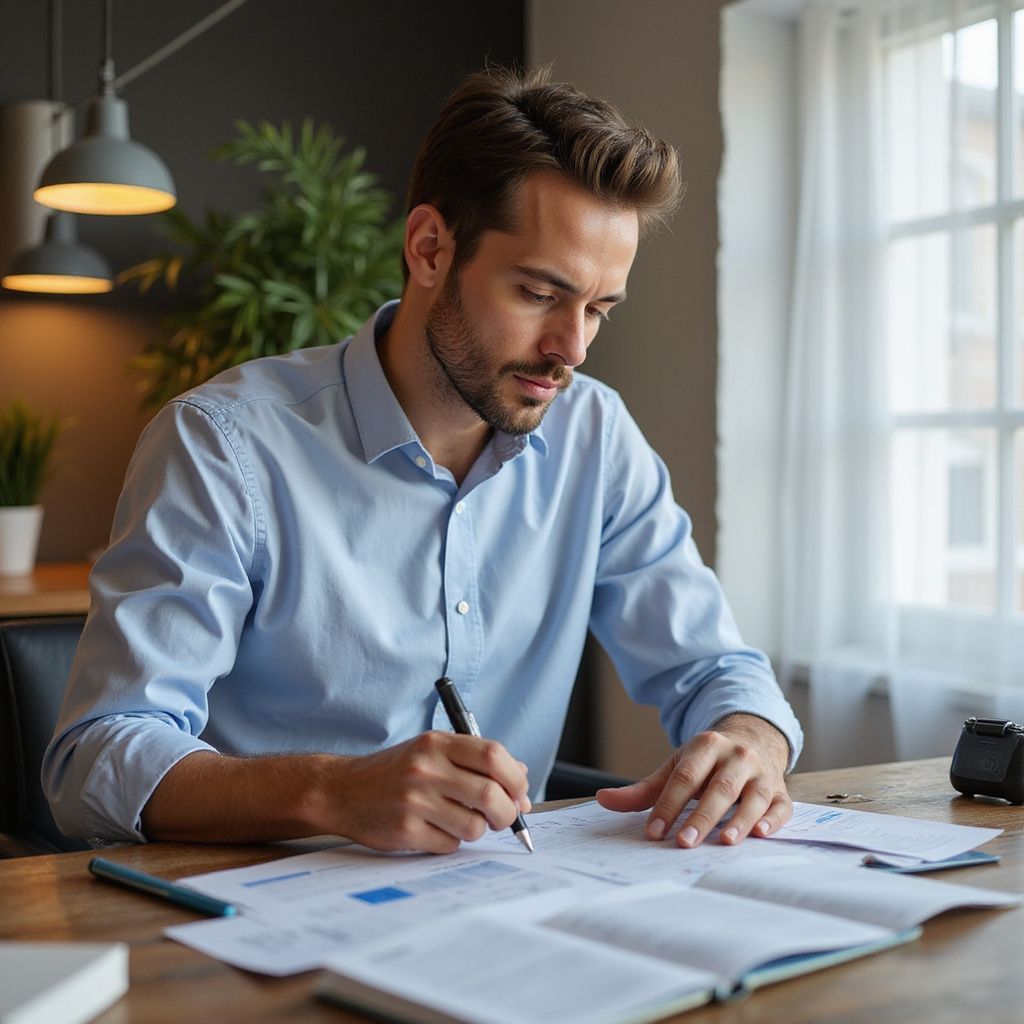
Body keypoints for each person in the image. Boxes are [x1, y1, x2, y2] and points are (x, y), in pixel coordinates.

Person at [43, 65, 803, 855]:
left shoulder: (596, 437)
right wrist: (332, 792)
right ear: (430, 247)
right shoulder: (223, 444)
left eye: (598, 309)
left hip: (504, 902)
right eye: (540, 294)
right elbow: (95, 757)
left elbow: (715, 668)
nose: (571, 349)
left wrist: (752, 738)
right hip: (253, 917)